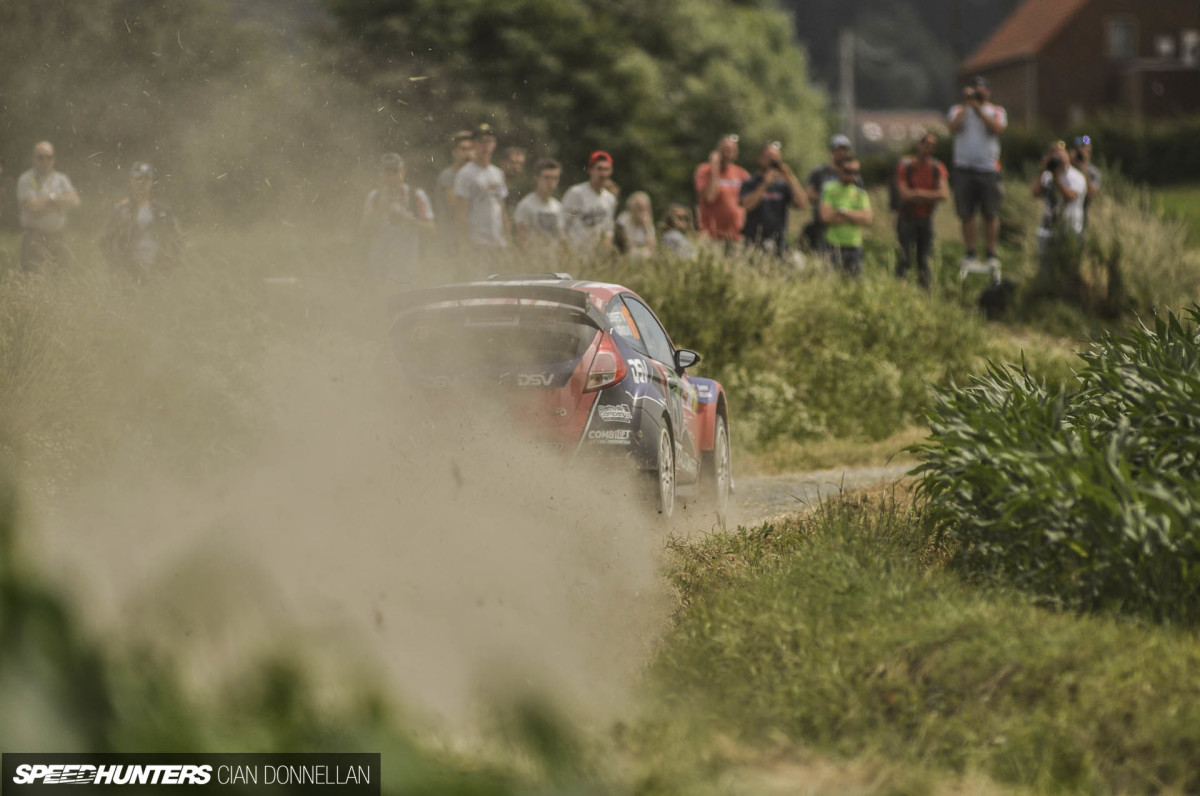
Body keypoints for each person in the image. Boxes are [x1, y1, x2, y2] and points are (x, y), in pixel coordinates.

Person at [948, 76, 1007, 281]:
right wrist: (967, 106)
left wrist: (980, 109)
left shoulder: (996, 111)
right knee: (966, 212)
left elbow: (997, 129)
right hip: (964, 168)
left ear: (988, 93)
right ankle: (970, 251)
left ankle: (991, 252)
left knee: (990, 212)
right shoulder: (958, 110)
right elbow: (953, 127)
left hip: (988, 168)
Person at [100, 162, 183, 281]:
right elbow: (105, 241)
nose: (141, 183)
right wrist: (114, 266)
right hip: (127, 271)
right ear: (131, 181)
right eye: (138, 179)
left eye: (145, 180)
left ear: (152, 182)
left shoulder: (163, 210)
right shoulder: (120, 209)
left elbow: (178, 240)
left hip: (158, 271)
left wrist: (172, 264)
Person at [362, 153, 434, 285]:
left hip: (409, 261)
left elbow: (431, 228)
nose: (391, 177)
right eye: (387, 173)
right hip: (380, 262)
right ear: (381, 174)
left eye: (395, 172)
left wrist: (408, 218)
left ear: (403, 172)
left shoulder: (416, 195)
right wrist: (380, 209)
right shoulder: (375, 197)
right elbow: (365, 228)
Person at [893, 132, 950, 290]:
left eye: (932, 145)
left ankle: (925, 292)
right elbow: (904, 194)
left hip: (926, 219)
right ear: (919, 145)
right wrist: (931, 196)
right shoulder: (906, 166)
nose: (928, 148)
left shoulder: (937, 168)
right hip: (906, 218)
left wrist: (917, 193)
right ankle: (900, 290)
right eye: (926, 144)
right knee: (904, 258)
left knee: (924, 260)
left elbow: (943, 194)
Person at [17, 141, 81, 272]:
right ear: (33, 158)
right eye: (40, 157)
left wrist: (47, 201)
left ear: (54, 159)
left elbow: (75, 200)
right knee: (33, 278)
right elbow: (34, 207)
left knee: (60, 278)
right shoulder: (26, 179)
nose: (45, 161)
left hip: (57, 237)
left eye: (49, 157)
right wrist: (58, 202)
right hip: (34, 238)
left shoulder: (61, 179)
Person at [453, 123, 510, 265]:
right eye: (481, 141)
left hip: (498, 242)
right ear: (474, 144)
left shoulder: (498, 173)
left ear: (494, 144)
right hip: (477, 242)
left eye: (489, 141)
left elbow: (502, 208)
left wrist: (508, 239)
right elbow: (461, 212)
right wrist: (465, 243)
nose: (485, 145)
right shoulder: (465, 173)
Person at [740, 141, 806, 258]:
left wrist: (791, 178)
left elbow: (801, 204)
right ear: (760, 159)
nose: (772, 162)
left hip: (778, 242)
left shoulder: (783, 185)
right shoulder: (751, 182)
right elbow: (747, 205)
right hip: (754, 241)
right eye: (769, 158)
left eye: (776, 159)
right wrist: (765, 184)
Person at [1032, 141, 1087, 259]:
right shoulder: (1046, 175)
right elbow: (1035, 194)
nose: (1058, 161)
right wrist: (1041, 171)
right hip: (1047, 228)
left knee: (1066, 263)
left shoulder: (1076, 177)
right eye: (1055, 157)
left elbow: (1069, 198)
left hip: (1069, 229)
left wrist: (1057, 179)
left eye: (1061, 156)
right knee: (1044, 263)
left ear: (1067, 157)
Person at [819, 157, 872, 277]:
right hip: (833, 244)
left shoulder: (860, 193)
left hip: (854, 245)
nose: (852, 175)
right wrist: (855, 216)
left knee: (856, 285)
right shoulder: (829, 189)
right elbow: (825, 217)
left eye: (855, 172)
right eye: (848, 171)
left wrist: (843, 212)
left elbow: (867, 218)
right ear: (840, 170)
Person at [694, 134, 749, 248]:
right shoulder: (704, 170)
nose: (726, 154)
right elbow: (709, 196)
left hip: (735, 237)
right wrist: (715, 169)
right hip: (710, 237)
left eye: (730, 151)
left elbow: (749, 204)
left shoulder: (742, 174)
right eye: (723, 150)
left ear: (735, 153)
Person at [804, 134, 857, 253]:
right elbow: (809, 194)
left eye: (845, 150)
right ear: (831, 152)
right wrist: (830, 202)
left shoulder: (853, 174)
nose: (842, 154)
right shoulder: (819, 172)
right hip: (822, 225)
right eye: (838, 150)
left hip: (847, 227)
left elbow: (860, 196)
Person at [561, 151, 617, 254]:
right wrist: (565, 250)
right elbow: (562, 224)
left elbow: (609, 228)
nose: (603, 174)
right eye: (599, 169)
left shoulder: (610, 198)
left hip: (597, 256)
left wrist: (605, 247)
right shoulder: (576, 193)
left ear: (611, 171)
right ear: (590, 170)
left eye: (606, 169)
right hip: (576, 253)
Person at [512, 158, 565, 263]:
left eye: (555, 178)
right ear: (537, 178)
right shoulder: (526, 205)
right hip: (534, 262)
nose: (550, 182)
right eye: (547, 178)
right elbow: (521, 238)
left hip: (554, 262)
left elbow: (560, 238)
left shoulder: (558, 206)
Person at [434, 131, 474, 257]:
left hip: (470, 236)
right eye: (463, 149)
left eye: (471, 149)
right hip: (451, 236)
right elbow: (456, 207)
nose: (468, 153)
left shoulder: (474, 176)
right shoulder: (448, 176)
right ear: (454, 152)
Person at [1070, 135, 1101, 230]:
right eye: (1080, 151)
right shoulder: (1064, 169)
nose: (1082, 155)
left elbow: (1090, 194)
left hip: (1080, 219)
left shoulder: (1093, 173)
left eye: (1086, 151)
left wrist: (1083, 168)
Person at [615, 191, 657, 258]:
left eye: (646, 208)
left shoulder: (648, 224)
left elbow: (653, 249)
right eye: (640, 208)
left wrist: (646, 227)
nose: (643, 211)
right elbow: (627, 246)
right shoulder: (623, 221)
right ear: (632, 208)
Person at [500, 146, 528, 214]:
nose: (516, 167)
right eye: (513, 162)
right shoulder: (494, 183)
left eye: (520, 164)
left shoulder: (516, 190)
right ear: (503, 162)